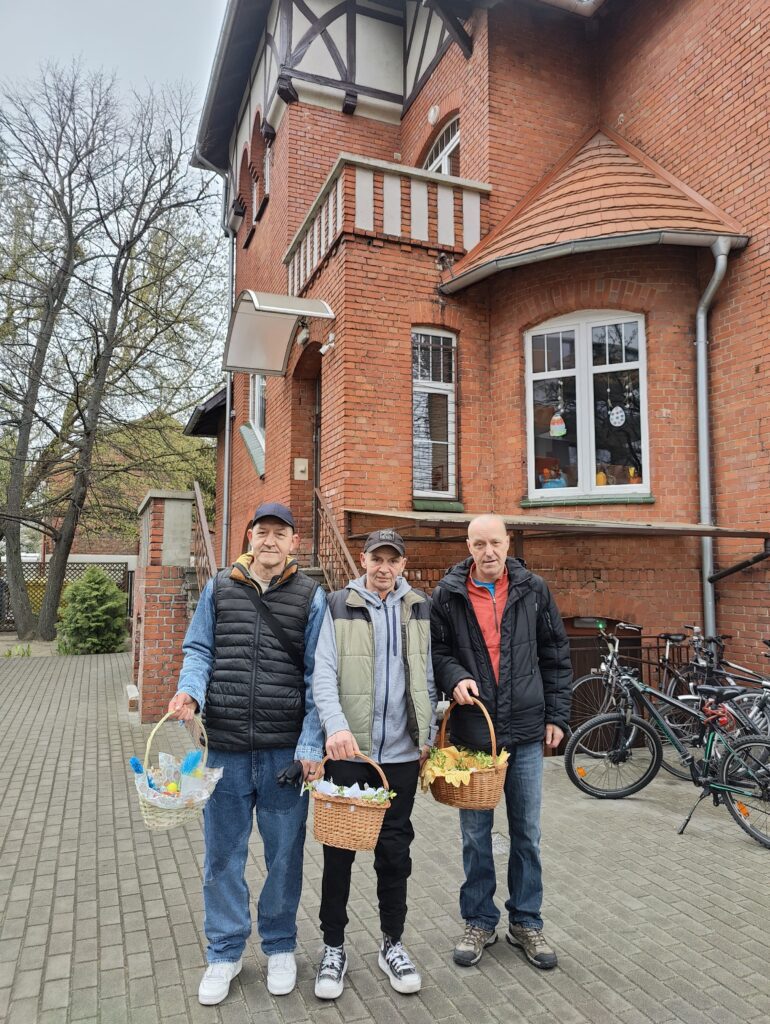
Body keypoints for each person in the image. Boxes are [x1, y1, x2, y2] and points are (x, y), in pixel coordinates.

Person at [166, 503, 326, 1005]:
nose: (270, 541)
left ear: (293, 542)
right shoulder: (218, 588)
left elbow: (319, 677)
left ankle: (279, 946)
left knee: (284, 857)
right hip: (225, 749)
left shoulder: (311, 596)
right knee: (222, 856)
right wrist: (190, 692)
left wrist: (310, 743)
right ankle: (225, 951)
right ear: (249, 538)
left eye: (280, 533)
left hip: (284, 754)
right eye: (262, 532)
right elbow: (199, 650)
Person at [430, 514, 572, 971]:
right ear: (468, 546)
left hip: (527, 732)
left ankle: (526, 922)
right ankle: (479, 920)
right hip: (475, 735)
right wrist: (454, 676)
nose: (488, 551)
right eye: (479, 544)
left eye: (495, 542)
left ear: (508, 543)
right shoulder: (448, 594)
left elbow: (555, 655)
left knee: (526, 833)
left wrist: (558, 716)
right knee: (475, 837)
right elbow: (436, 652)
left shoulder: (534, 590)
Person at [311, 528, 437, 999]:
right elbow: (323, 672)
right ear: (362, 559)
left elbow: (427, 674)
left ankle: (392, 943)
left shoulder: (419, 606)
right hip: (351, 752)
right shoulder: (337, 604)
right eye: (376, 558)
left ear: (403, 565)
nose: (384, 567)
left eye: (392, 560)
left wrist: (427, 733)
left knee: (395, 853)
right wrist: (335, 727)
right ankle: (333, 948)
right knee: (338, 852)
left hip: (402, 755)